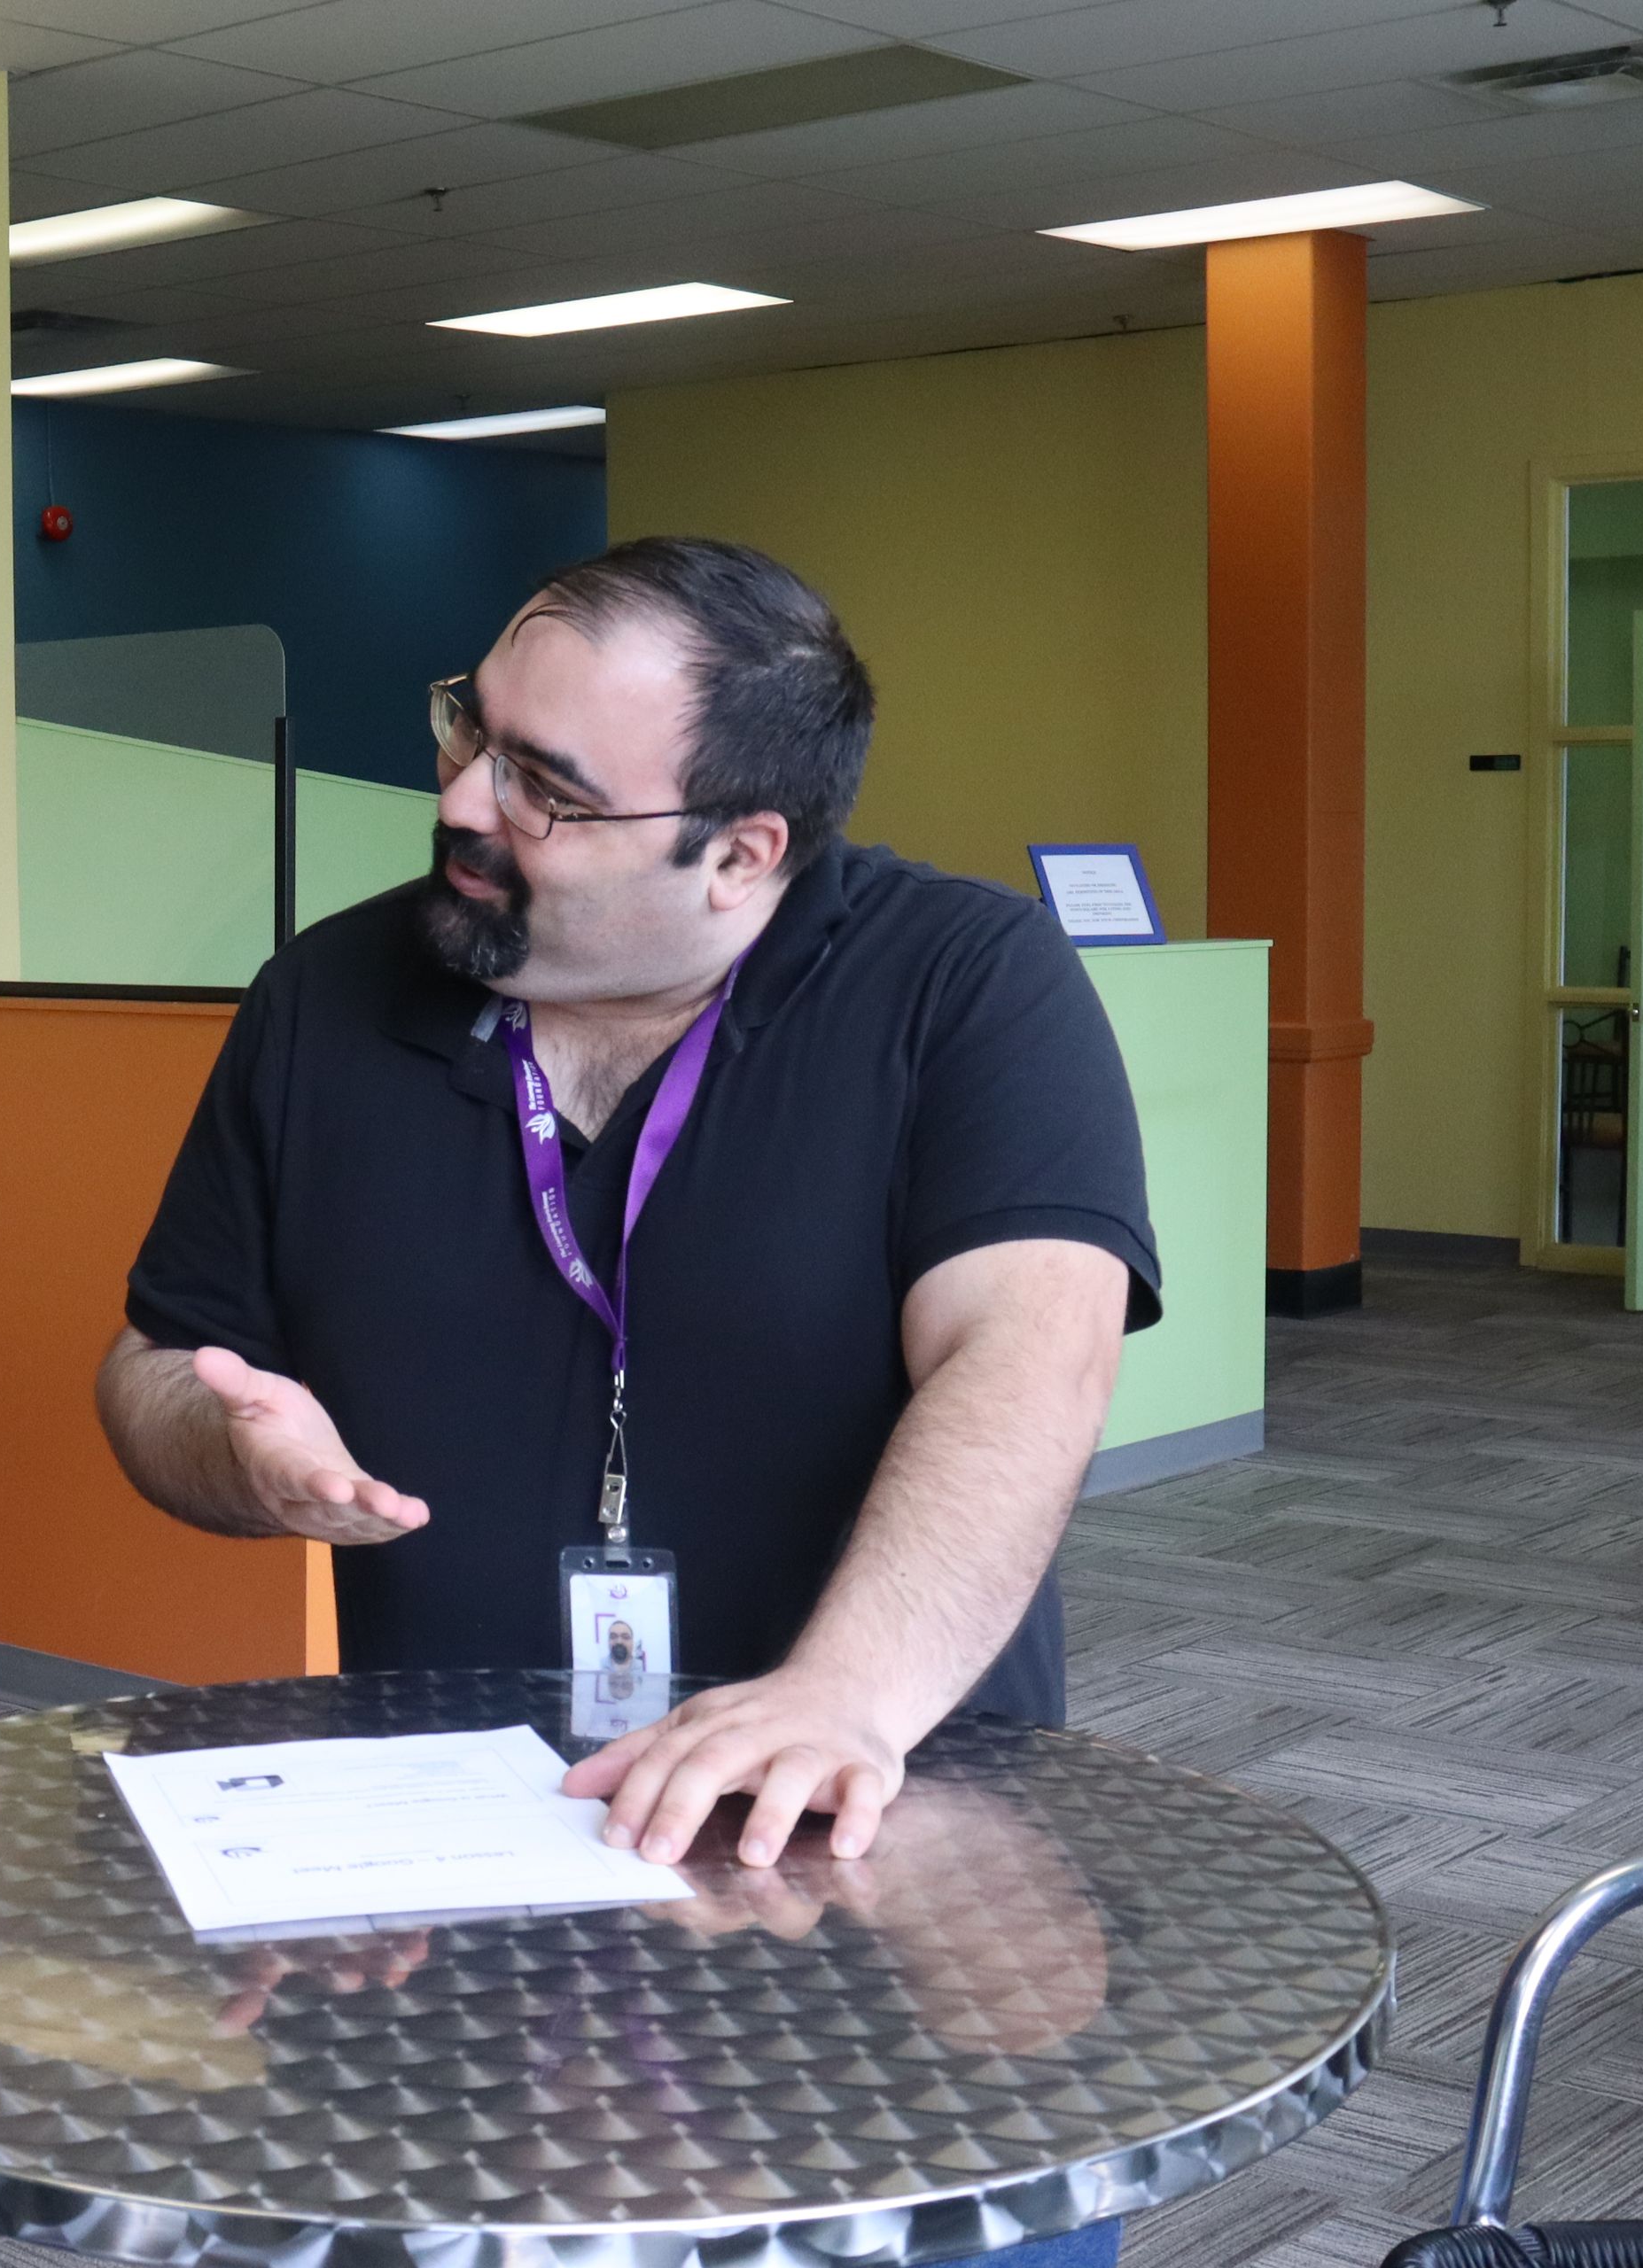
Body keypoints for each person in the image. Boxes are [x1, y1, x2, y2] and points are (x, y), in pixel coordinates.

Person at [98, 535, 1157, 1879]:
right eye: (469, 731)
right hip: (448, 1834)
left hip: (853, 1827)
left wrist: (842, 1698)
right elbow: (158, 1368)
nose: (465, 801)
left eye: (544, 787)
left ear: (739, 855)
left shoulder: (963, 985)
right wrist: (230, 1450)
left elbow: (1028, 1360)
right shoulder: (325, 998)